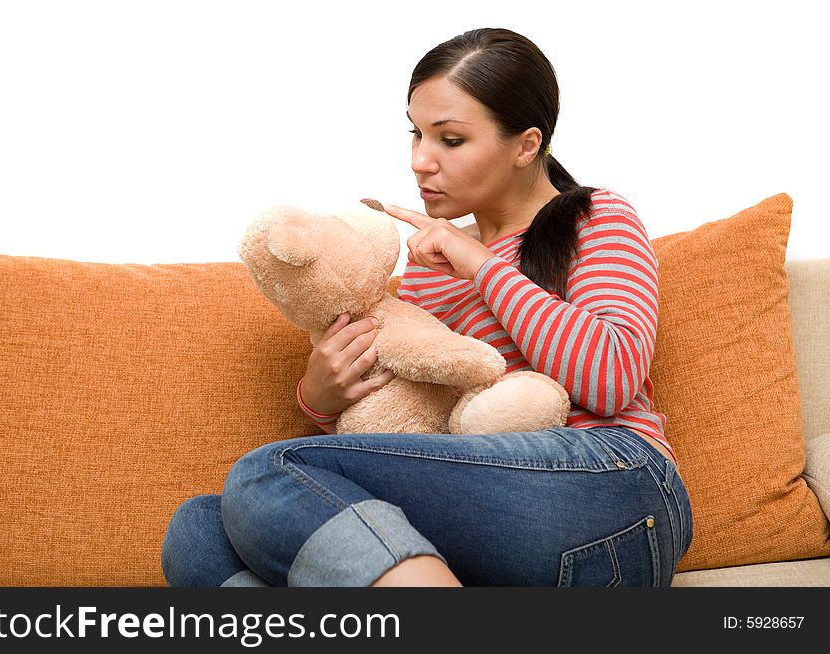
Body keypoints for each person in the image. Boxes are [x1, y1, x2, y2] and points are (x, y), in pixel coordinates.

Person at [161, 27, 692, 587]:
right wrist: (319, 400)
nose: (420, 160)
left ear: (526, 145)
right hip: (490, 531)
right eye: (415, 134)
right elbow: (413, 419)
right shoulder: (424, 268)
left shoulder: (594, 216)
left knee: (267, 472)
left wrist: (482, 265)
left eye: (451, 140)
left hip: (614, 486)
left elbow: (610, 377)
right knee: (199, 530)